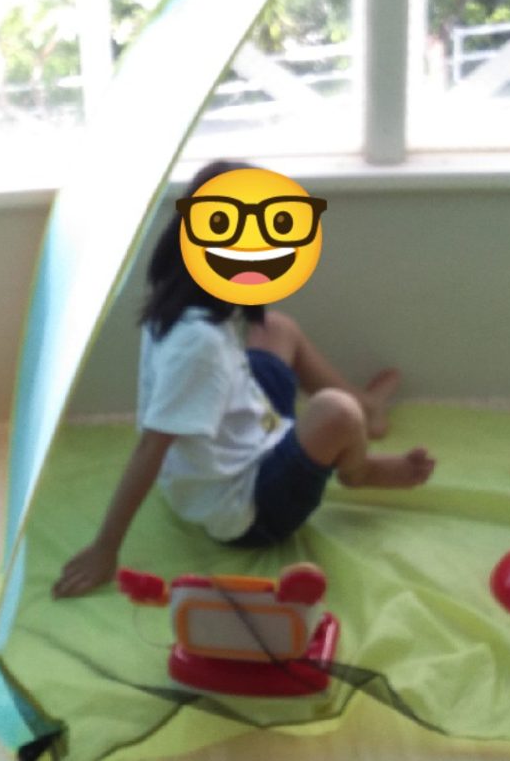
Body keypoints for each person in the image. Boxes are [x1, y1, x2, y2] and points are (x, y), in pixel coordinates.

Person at [52, 161, 435, 599]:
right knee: (336, 412)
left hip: (253, 423)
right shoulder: (198, 346)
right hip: (248, 510)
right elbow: (151, 447)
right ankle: (359, 469)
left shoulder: (184, 298)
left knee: (276, 328)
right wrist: (105, 548)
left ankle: (370, 409)